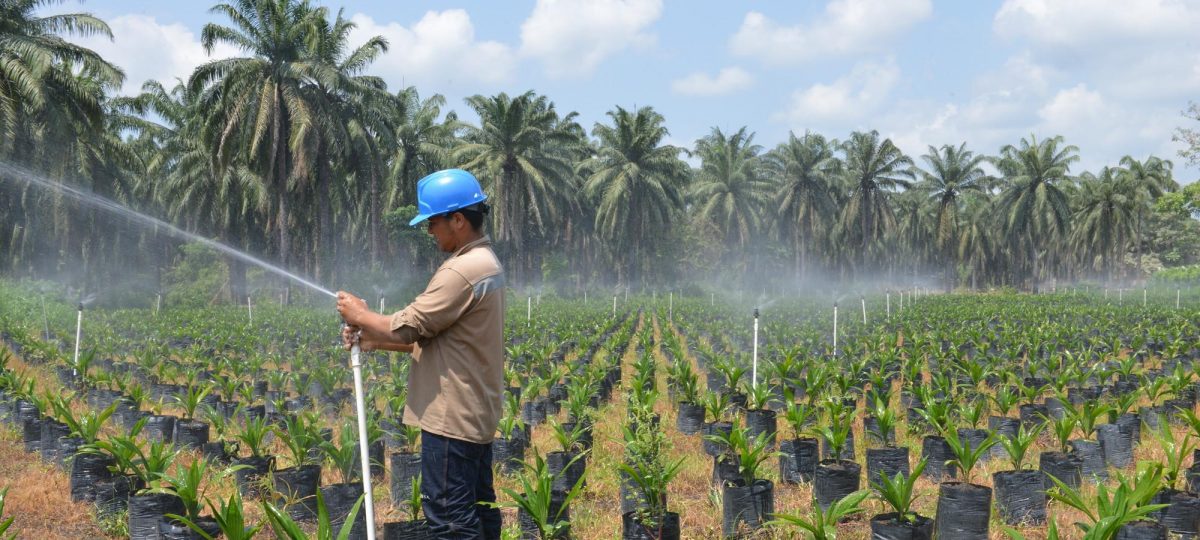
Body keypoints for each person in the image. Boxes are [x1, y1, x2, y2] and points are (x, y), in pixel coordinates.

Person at [336, 168, 504, 539]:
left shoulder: (462, 270)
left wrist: (361, 314)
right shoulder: (485, 263)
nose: (430, 231)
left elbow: (409, 325)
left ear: (458, 220)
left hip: (452, 419)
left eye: (433, 222)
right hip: (473, 413)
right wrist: (373, 340)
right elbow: (436, 337)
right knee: (478, 510)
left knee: (450, 519)